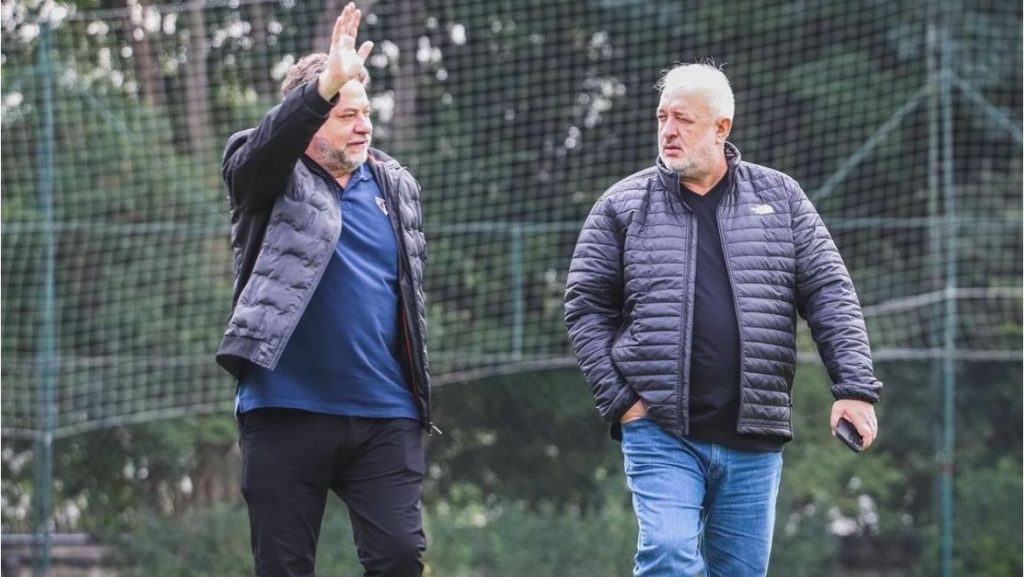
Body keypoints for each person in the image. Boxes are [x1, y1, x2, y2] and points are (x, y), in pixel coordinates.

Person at [564, 63, 883, 577]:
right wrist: (624, 404)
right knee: (667, 554)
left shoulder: (782, 198)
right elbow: (585, 308)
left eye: (684, 120)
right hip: (660, 429)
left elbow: (829, 292)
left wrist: (855, 387)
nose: (668, 130)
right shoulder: (621, 206)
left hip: (753, 434)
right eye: (662, 117)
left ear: (722, 128)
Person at [214, 5, 435, 576]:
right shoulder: (267, 175)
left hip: (385, 414)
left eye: (367, 113)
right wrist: (323, 86)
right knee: (283, 567)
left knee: (400, 557)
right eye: (346, 114)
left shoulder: (396, 184)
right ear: (308, 121)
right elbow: (259, 155)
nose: (363, 126)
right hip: (284, 409)